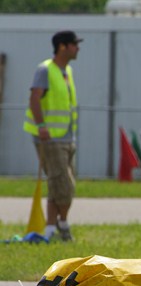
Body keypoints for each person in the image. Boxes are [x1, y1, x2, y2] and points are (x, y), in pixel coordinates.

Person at [23, 30, 82, 241]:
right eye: (75, 44)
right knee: (64, 184)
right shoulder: (45, 69)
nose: (78, 48)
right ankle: (61, 225)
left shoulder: (67, 71)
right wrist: (41, 126)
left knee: (58, 184)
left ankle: (50, 229)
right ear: (63, 46)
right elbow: (34, 99)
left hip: (66, 136)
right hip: (50, 138)